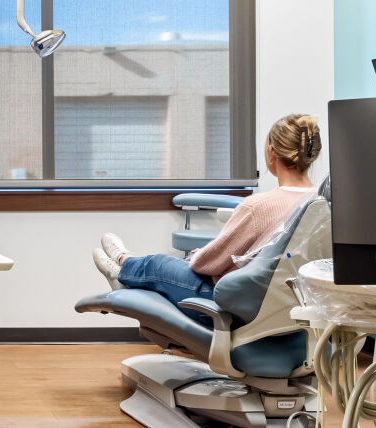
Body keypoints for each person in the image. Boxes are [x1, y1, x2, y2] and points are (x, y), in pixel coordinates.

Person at [92, 114, 323, 309]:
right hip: (286, 303)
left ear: (272, 152)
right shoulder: (321, 205)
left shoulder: (258, 207)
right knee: (178, 264)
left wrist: (199, 255)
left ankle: (122, 267)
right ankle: (126, 269)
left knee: (157, 264)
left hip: (231, 300)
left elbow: (207, 264)